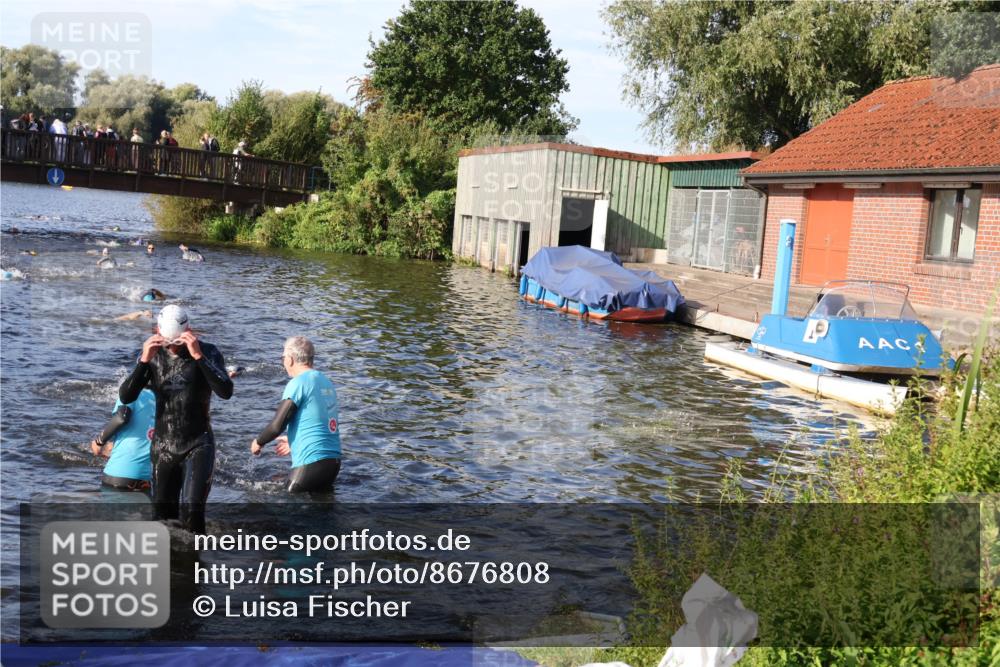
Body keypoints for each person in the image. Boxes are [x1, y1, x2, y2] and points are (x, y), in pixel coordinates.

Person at [119, 305, 233, 533]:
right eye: (168, 341)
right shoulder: (152, 356)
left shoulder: (208, 352)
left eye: (177, 341)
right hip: (164, 446)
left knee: (193, 511)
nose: (173, 347)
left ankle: (197, 564)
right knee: (162, 519)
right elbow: (126, 396)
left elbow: (225, 391)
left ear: (188, 330)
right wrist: (143, 361)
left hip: (198, 443)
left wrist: (197, 354)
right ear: (157, 332)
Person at [250, 336, 342, 493]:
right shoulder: (325, 381)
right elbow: (322, 422)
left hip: (310, 463)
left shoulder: (298, 383)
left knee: (288, 510)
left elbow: (277, 425)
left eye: (283, 357)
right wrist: (295, 440)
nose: (283, 361)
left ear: (291, 359)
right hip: (333, 464)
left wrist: (258, 442)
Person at [90, 388, 156, 491]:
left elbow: (121, 418)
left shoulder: (131, 392)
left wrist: (99, 442)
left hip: (118, 475)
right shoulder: (169, 400)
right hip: (150, 481)